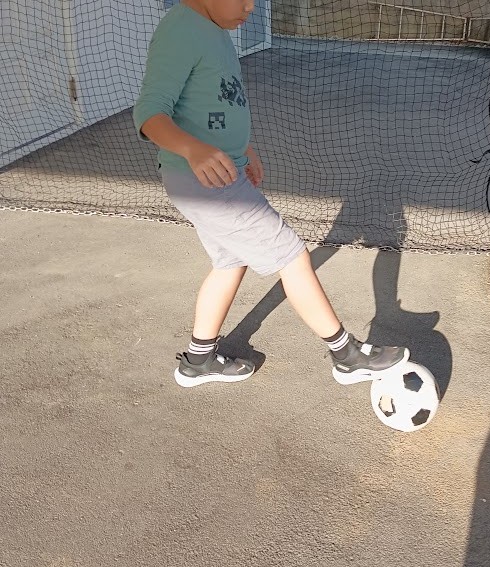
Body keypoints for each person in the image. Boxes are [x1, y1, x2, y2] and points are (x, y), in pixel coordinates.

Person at [133, 0, 409, 388]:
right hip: (205, 181)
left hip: (217, 172)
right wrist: (194, 150)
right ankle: (346, 356)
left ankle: (198, 361)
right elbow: (150, 113)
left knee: (231, 261)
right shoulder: (180, 30)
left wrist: (242, 149)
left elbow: (213, 102)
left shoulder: (216, 30)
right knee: (291, 255)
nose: (250, 8)